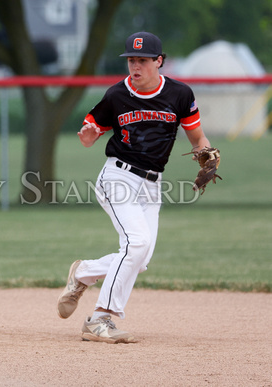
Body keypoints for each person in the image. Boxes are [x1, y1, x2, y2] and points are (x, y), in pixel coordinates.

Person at [56, 32, 212, 343]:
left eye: (142, 60)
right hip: (118, 177)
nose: (135, 66)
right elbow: (91, 132)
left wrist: (205, 155)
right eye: (131, 60)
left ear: (159, 61)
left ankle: (83, 272)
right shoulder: (116, 95)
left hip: (152, 185)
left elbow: (198, 139)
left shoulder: (180, 94)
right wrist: (88, 135)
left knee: (139, 258)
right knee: (136, 243)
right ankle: (99, 319)